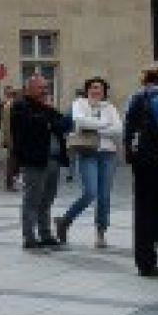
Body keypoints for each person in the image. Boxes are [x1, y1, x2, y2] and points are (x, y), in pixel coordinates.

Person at [55, 77, 121, 249]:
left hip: (108, 154)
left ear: (105, 91)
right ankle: (65, 220)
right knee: (90, 192)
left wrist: (94, 128)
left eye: (99, 88)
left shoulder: (110, 107)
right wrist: (105, 125)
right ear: (87, 89)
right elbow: (79, 120)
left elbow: (119, 130)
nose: (95, 90)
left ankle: (101, 233)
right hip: (87, 152)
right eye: (92, 87)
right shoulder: (79, 103)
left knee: (104, 196)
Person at [10, 76, 66, 250]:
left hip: (53, 160)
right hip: (35, 161)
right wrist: (47, 119)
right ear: (29, 89)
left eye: (46, 87)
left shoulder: (46, 108)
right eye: (41, 88)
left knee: (47, 200)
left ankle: (46, 234)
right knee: (32, 200)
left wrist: (48, 119)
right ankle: (29, 237)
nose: (45, 91)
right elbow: (31, 126)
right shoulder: (20, 106)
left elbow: (62, 124)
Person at [123, 67, 158, 276]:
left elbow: (128, 130)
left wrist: (131, 157)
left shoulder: (135, 98)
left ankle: (145, 261)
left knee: (143, 210)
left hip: (143, 162)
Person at [1, 84, 20, 191]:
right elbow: (8, 125)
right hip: (13, 138)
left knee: (14, 161)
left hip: (12, 137)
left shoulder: (9, 105)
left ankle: (12, 182)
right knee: (12, 161)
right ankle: (10, 183)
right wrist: (8, 139)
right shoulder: (10, 106)